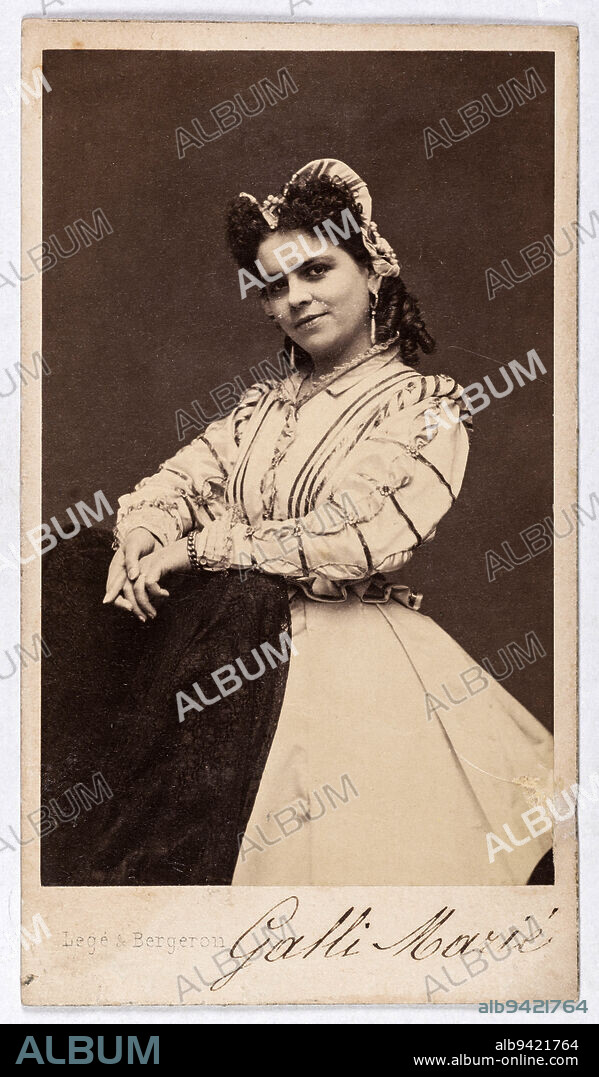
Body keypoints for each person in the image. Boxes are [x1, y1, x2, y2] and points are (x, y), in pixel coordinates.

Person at [97, 158, 553, 886]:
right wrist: (144, 533)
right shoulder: (260, 407)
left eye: (316, 271)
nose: (296, 298)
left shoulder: (422, 405)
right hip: (223, 644)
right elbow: (180, 479)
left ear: (371, 271)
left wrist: (199, 547)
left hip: (349, 663)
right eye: (275, 285)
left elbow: (357, 536)